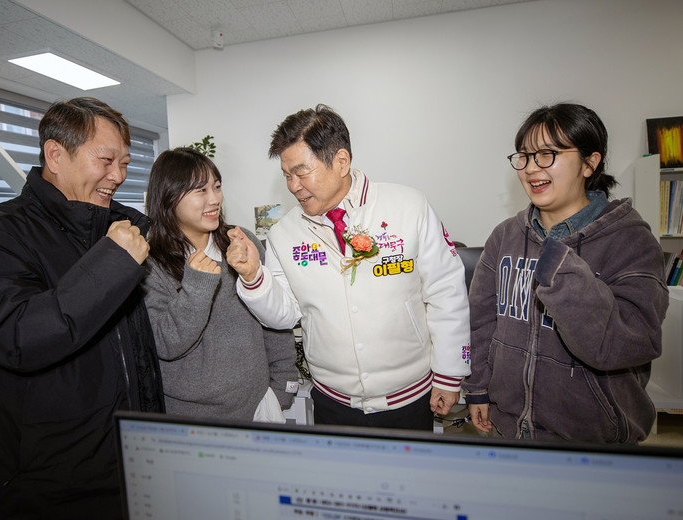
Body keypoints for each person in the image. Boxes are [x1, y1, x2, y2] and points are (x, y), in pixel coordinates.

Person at [0, 97, 165, 519]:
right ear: (55, 155)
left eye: (124, 163)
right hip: (42, 489)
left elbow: (133, 355)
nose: (118, 176)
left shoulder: (117, 229)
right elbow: (18, 337)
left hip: (124, 469)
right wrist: (112, 264)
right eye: (106, 160)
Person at [226, 104, 471, 430]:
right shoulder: (284, 234)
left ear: (341, 161)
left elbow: (446, 291)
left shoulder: (407, 207)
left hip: (410, 397)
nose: (293, 185)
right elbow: (284, 314)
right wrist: (253, 277)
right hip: (333, 402)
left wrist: (450, 374)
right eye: (287, 175)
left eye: (301, 172)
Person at [463, 103, 668, 443]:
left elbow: (633, 342)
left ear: (590, 163)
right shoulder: (505, 236)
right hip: (506, 429)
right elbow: (481, 322)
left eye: (548, 154)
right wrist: (478, 388)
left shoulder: (630, 241)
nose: (531, 168)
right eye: (525, 156)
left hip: (592, 439)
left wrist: (563, 269)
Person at [142, 147, 298, 420]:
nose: (215, 199)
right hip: (190, 418)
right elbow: (165, 344)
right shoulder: (150, 262)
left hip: (258, 406)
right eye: (200, 191)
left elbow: (273, 317)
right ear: (168, 196)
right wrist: (197, 286)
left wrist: (284, 385)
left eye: (216, 186)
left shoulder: (239, 242)